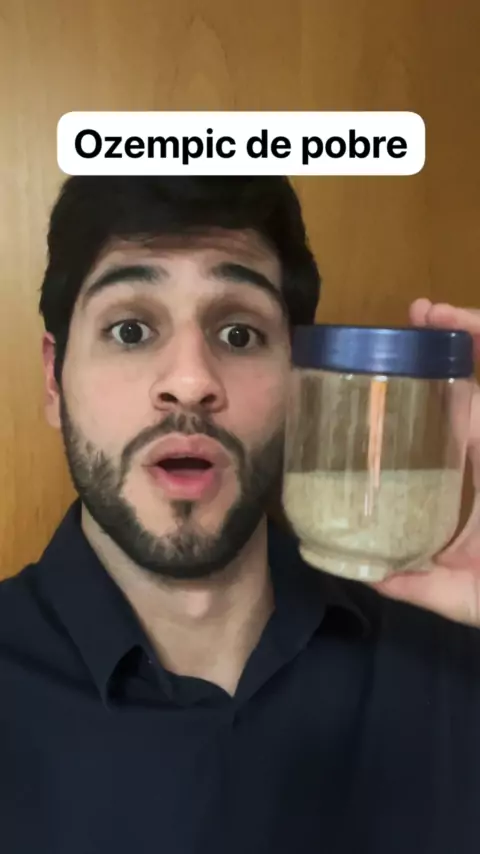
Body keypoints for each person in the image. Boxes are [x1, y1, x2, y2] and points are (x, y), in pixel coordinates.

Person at [1, 176, 479, 854]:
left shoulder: (453, 655)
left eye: (239, 332)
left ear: (302, 380)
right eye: (130, 330)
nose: (191, 382)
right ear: (54, 381)